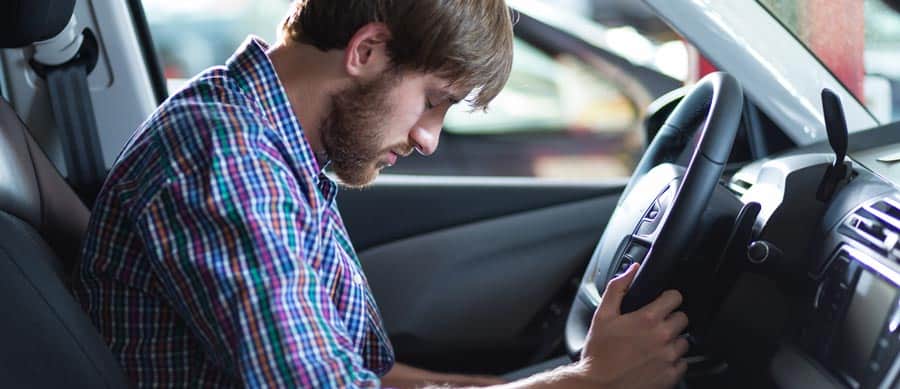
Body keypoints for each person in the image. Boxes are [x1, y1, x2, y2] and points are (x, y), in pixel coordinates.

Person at [73, 1, 689, 387]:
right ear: (366, 51)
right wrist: (587, 383)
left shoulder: (276, 148)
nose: (428, 139)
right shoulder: (225, 155)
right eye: (433, 101)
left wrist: (557, 379)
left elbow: (359, 372)